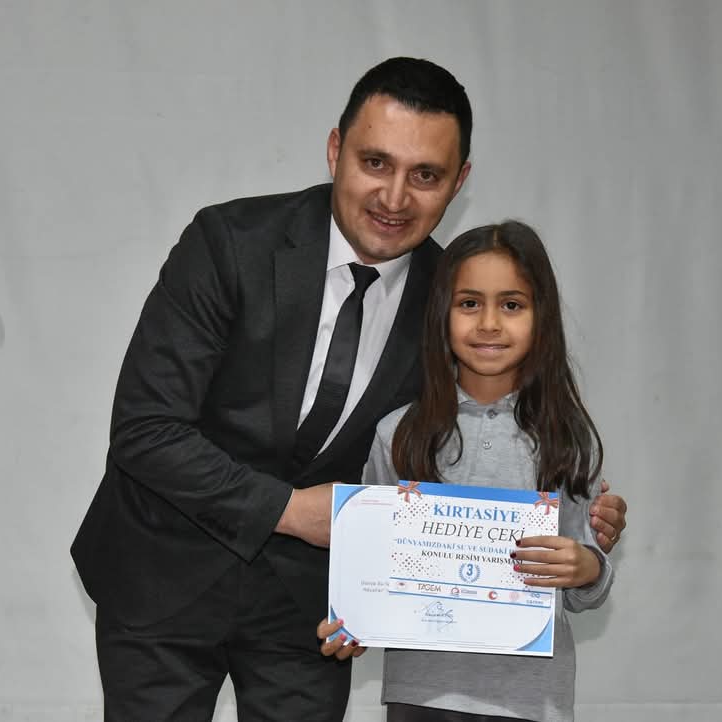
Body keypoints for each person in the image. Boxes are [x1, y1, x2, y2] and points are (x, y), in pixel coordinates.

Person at [71, 57, 628, 721]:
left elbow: (481, 445)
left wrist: (579, 514)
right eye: (376, 163)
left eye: (425, 175)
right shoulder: (229, 243)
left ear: (459, 182)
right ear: (336, 150)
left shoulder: (454, 300)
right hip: (162, 571)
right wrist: (288, 510)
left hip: (312, 611)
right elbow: (146, 431)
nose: (395, 197)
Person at [319, 221, 613, 722]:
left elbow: (587, 581)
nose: (489, 324)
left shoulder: (569, 438)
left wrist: (587, 568)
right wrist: (355, 620)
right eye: (469, 303)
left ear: (542, 317)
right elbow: (370, 564)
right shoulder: (398, 433)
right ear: (441, 314)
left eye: (512, 305)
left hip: (531, 700)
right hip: (421, 696)